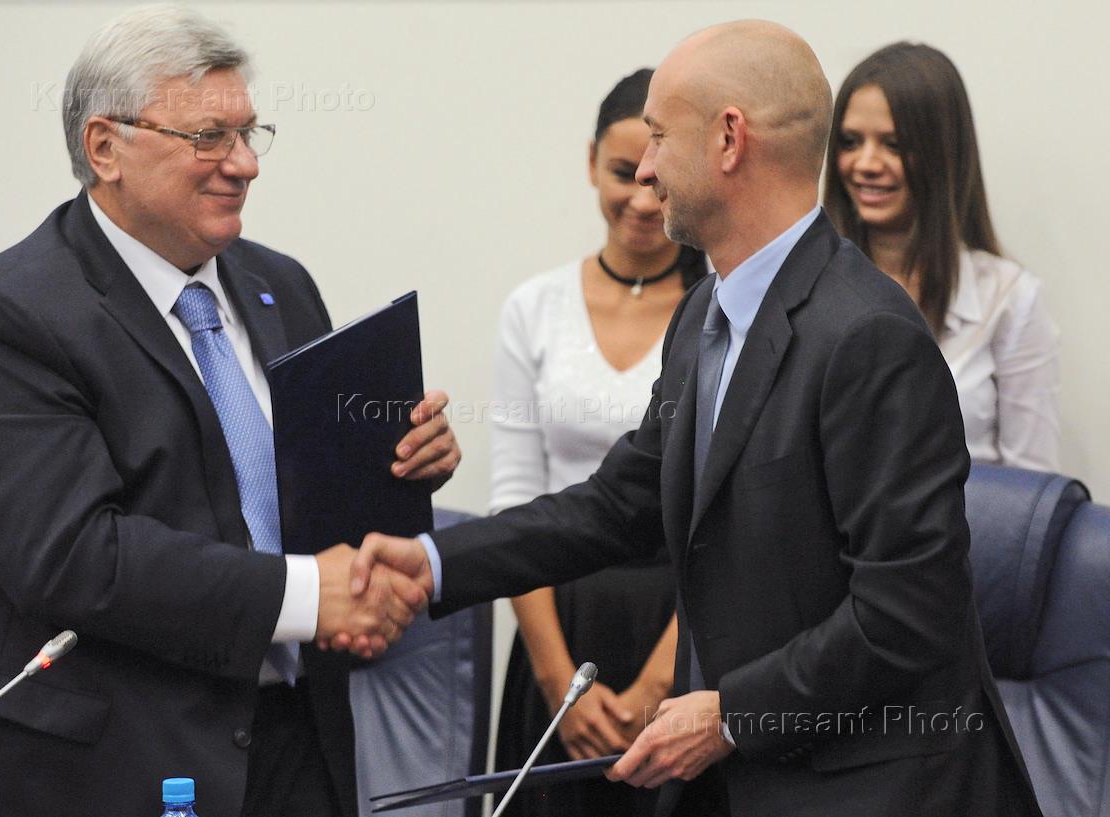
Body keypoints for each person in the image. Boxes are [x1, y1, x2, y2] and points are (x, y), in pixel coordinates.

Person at [347, 20, 1043, 817]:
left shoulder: (868, 335)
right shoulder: (704, 313)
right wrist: (434, 561)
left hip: (870, 790)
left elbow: (907, 612)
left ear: (729, 139)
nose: (646, 169)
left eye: (657, 135)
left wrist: (732, 714)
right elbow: (621, 504)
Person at [0, 6, 456, 817]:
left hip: (292, 741)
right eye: (209, 137)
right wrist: (309, 594)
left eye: (249, 133)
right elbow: (74, 557)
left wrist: (400, 465)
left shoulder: (280, 286)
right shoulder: (8, 315)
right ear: (105, 148)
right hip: (97, 768)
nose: (245, 164)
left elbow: (301, 501)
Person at [491, 68, 706, 817]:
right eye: (622, 173)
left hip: (685, 625)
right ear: (591, 163)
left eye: (658, 176)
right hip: (556, 626)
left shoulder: (719, 311)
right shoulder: (535, 307)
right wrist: (559, 683)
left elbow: (726, 517)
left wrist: (659, 683)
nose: (642, 200)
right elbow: (517, 500)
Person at [824, 42, 1060, 471]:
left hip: (970, 517)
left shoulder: (1008, 300)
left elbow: (1031, 492)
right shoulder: (808, 284)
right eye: (850, 141)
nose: (866, 163)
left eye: (894, 144)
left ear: (944, 153)